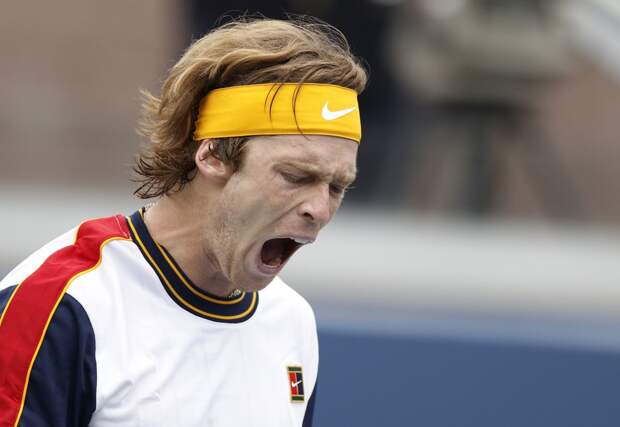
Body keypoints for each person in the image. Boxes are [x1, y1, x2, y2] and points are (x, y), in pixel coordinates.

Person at [0, 16, 367, 427]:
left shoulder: (292, 321)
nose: (320, 210)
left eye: (338, 187)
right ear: (213, 156)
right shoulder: (60, 305)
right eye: (296, 177)